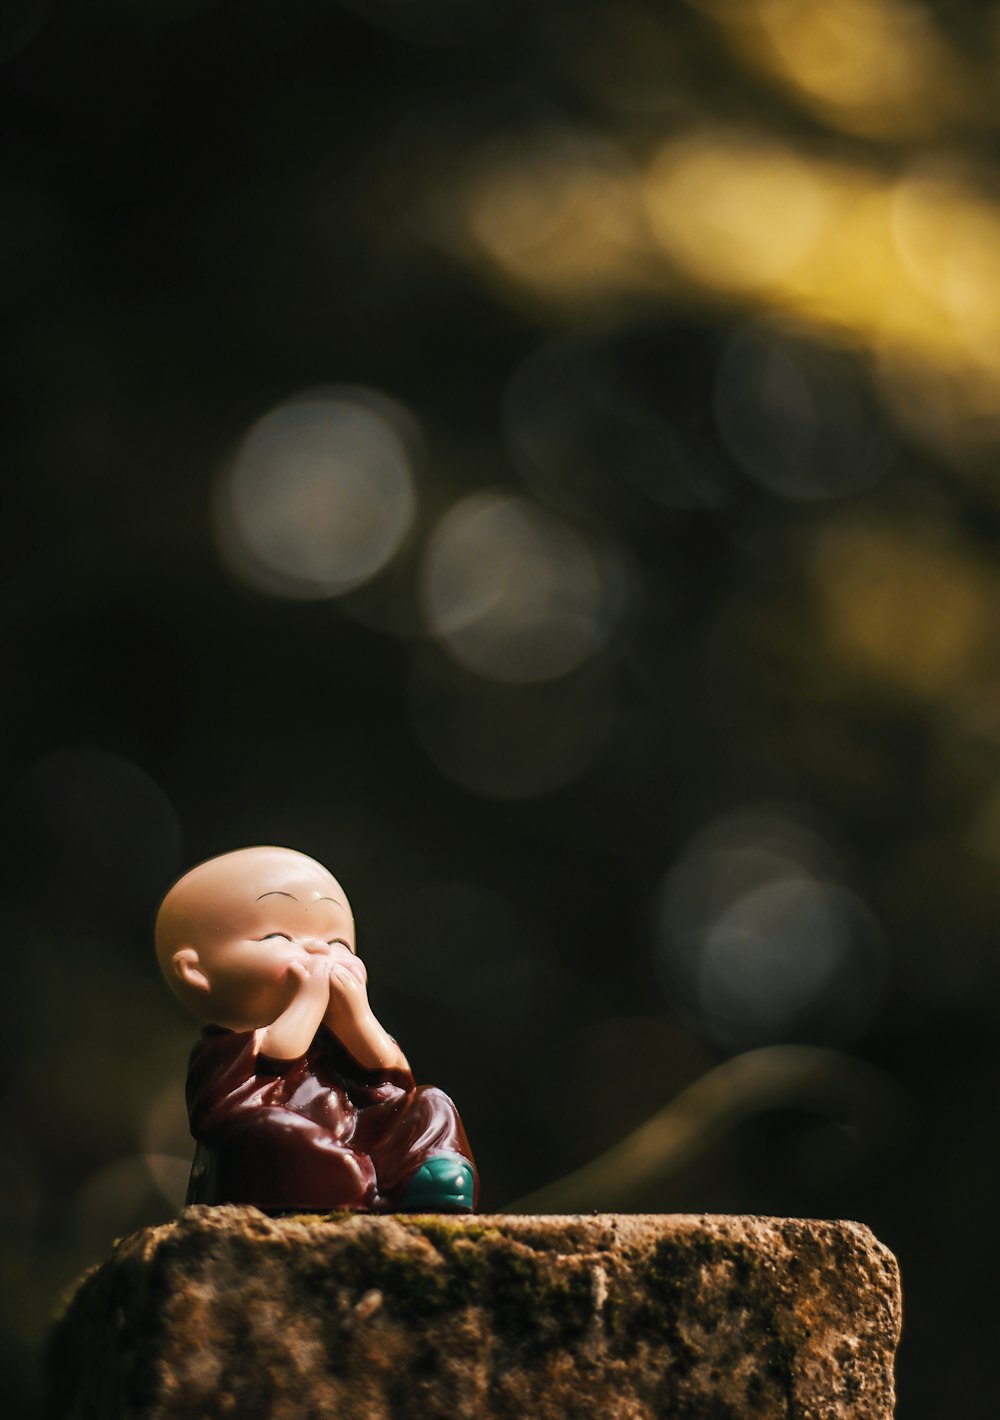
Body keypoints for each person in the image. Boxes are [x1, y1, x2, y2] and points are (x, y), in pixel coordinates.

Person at [155, 845, 477, 1213]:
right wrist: (306, 1002)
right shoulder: (224, 1046)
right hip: (268, 1172)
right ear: (197, 971)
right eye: (277, 937)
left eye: (336, 942)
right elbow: (272, 1063)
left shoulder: (333, 1037)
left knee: (430, 1101)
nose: (318, 951)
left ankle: (432, 1170)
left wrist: (355, 1017)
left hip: (353, 1136)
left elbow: (393, 1077)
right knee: (272, 1129)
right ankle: (348, 1185)